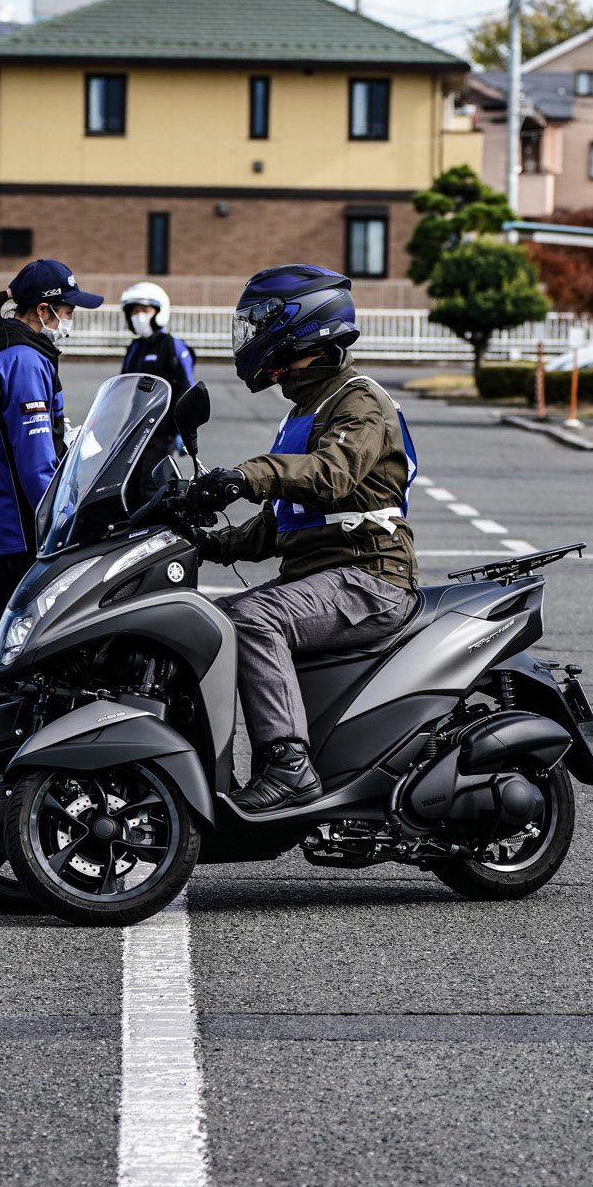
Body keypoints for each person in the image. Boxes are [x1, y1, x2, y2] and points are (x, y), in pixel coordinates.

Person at [186, 265, 420, 814]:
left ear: (301, 326)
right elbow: (282, 522)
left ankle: (288, 766)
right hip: (324, 576)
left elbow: (330, 475)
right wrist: (204, 543)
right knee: (212, 616)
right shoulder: (309, 408)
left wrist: (248, 474)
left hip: (369, 577)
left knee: (251, 617)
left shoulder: (360, 403)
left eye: (261, 320)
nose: (251, 333)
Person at [0, 258, 102, 623]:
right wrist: (67, 523)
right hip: (24, 528)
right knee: (35, 651)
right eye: (68, 310)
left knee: (11, 647)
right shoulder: (24, 360)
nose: (70, 319)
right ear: (43, 310)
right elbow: (35, 465)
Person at [117, 281, 196, 451]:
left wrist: (182, 430)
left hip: (161, 431)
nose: (139, 315)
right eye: (135, 311)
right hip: (134, 429)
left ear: (159, 312)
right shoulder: (134, 347)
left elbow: (185, 387)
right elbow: (124, 386)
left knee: (151, 477)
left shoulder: (172, 345)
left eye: (145, 310)